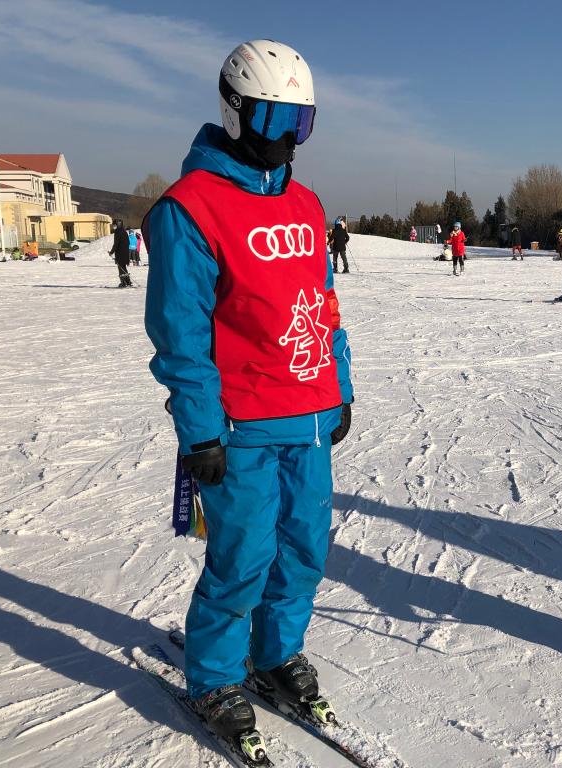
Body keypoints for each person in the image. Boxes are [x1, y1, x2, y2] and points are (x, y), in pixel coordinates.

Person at [142, 39, 355, 744]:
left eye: (300, 125)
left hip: (309, 414)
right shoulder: (191, 209)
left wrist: (340, 385)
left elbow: (323, 301)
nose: (286, 141)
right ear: (234, 113)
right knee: (241, 558)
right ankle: (214, 676)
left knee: (304, 551)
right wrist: (198, 429)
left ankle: (274, 655)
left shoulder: (305, 202)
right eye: (272, 121)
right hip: (239, 426)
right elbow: (183, 334)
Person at [109, 219, 132, 287]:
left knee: (121, 268)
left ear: (117, 225)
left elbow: (116, 243)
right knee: (123, 267)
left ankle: (123, 282)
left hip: (120, 253)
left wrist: (111, 252)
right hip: (126, 252)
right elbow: (128, 242)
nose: (113, 226)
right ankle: (128, 281)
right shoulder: (124, 231)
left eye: (114, 225)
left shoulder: (117, 232)